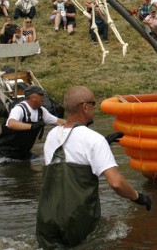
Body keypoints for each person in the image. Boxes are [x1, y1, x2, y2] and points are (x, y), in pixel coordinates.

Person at [36, 86, 151, 249]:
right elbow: (116, 182)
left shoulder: (52, 135)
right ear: (84, 107)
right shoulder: (94, 140)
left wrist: (103, 145)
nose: (95, 108)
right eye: (93, 104)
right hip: (76, 221)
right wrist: (137, 196)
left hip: (46, 219)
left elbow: (72, 151)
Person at [0, 85, 65, 160]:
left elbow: (58, 121)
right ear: (33, 98)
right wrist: (31, 126)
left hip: (24, 153)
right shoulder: (19, 109)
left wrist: (76, 125)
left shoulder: (41, 111)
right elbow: (11, 124)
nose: (43, 97)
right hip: (5, 154)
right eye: (41, 95)